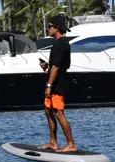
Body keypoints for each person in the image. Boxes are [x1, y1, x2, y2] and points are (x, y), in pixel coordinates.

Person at [39, 15, 76, 152]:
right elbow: (53, 66)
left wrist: (49, 85)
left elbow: (57, 67)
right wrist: (46, 68)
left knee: (59, 113)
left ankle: (71, 144)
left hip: (57, 85)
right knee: (48, 111)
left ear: (57, 28)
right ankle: (53, 142)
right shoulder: (57, 44)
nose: (48, 29)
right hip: (53, 82)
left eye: (50, 26)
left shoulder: (61, 43)